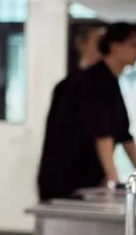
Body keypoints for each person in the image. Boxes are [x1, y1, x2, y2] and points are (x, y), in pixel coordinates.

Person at [37, 22, 136, 201]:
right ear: (114, 46)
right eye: (134, 45)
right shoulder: (93, 81)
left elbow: (124, 135)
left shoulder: (110, 82)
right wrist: (112, 180)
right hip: (67, 181)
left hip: (87, 179)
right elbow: (102, 135)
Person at [35, 24, 106, 201]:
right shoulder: (68, 86)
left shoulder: (103, 85)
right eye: (99, 42)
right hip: (66, 181)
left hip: (88, 179)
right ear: (82, 44)